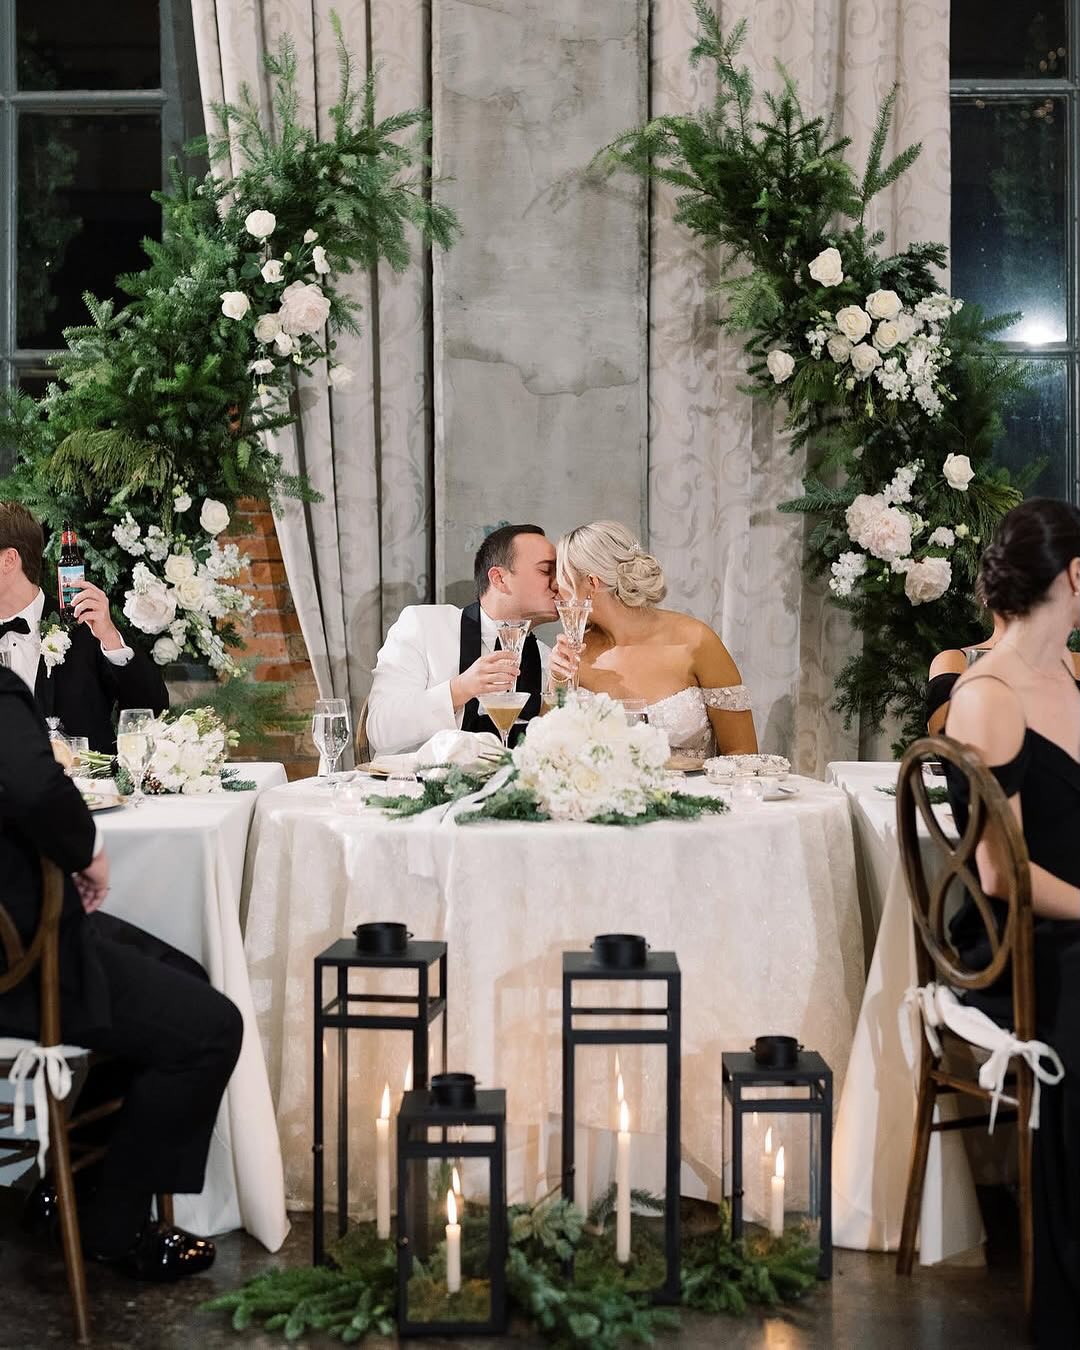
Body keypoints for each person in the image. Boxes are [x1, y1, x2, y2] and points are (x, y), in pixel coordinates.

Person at [0, 664, 242, 1280]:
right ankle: (114, 1228)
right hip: (20, 961)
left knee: (184, 970)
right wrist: (89, 852)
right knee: (211, 1027)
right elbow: (33, 787)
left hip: (23, 934)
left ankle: (71, 1189)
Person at [942, 497, 1080, 1343]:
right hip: (1021, 936)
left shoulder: (1067, 674)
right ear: (1076, 575)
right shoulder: (988, 693)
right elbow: (1002, 872)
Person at [550, 521, 757, 757]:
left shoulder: (696, 641)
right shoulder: (574, 654)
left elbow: (742, 753)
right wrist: (557, 681)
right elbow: (549, 752)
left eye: (561, 579)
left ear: (592, 583)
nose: (556, 590)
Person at [366, 524, 563, 756]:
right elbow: (380, 729)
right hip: (409, 786)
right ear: (499, 579)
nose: (558, 584)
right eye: (545, 570)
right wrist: (459, 689)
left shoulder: (548, 660)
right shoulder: (422, 626)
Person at [0, 502, 168, 752]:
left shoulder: (84, 625)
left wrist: (110, 637)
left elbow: (152, 711)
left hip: (85, 789)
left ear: (9, 560)